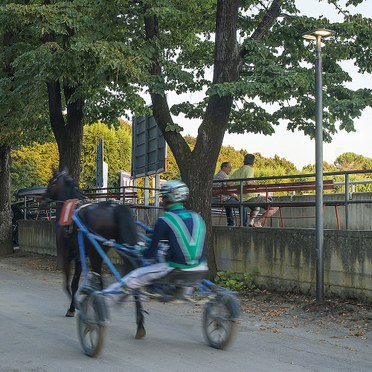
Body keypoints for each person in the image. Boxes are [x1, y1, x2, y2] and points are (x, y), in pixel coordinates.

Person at [105, 179, 208, 297]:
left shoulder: (165, 219)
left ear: (169, 198)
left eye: (163, 198)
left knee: (134, 277)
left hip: (176, 270)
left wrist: (140, 251)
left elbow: (150, 253)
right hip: (201, 268)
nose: (162, 201)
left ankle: (106, 295)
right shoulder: (197, 217)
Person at [230, 154, 278, 227]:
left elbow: (228, 183)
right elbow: (249, 182)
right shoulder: (249, 169)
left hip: (241, 199)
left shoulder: (237, 171)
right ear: (253, 162)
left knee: (256, 207)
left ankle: (251, 222)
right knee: (274, 207)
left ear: (244, 161)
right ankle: (258, 222)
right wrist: (254, 183)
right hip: (250, 198)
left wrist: (238, 185)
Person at [213, 162, 238, 226]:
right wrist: (235, 196)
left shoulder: (215, 176)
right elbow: (229, 190)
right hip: (222, 199)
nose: (231, 169)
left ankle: (231, 223)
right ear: (224, 167)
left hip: (214, 199)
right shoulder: (224, 176)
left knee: (229, 203)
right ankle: (243, 224)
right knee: (242, 204)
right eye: (229, 167)